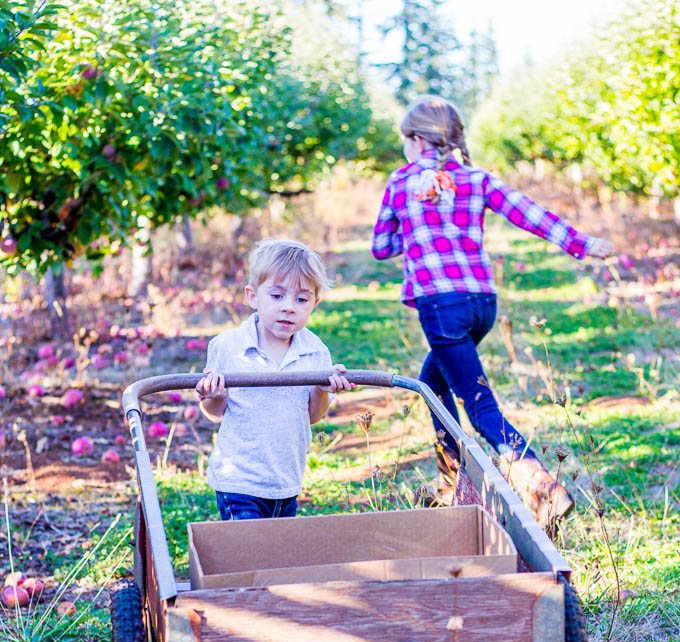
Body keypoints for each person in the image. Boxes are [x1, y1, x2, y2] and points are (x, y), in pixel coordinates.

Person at [371, 94, 615, 528]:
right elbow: (527, 213)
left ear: (414, 139)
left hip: (440, 306)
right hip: (481, 303)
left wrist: (417, 230)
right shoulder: (477, 178)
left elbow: (381, 246)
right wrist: (582, 244)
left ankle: (543, 489)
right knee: (432, 384)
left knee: (480, 406)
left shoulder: (401, 182)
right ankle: (450, 487)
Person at [196, 238, 353, 520]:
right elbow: (214, 413)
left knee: (275, 557)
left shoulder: (315, 351)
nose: (289, 307)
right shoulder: (228, 346)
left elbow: (314, 415)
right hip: (239, 480)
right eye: (277, 296)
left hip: (287, 480)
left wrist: (322, 387)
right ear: (253, 296)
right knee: (249, 554)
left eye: (301, 299)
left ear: (314, 303)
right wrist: (216, 394)